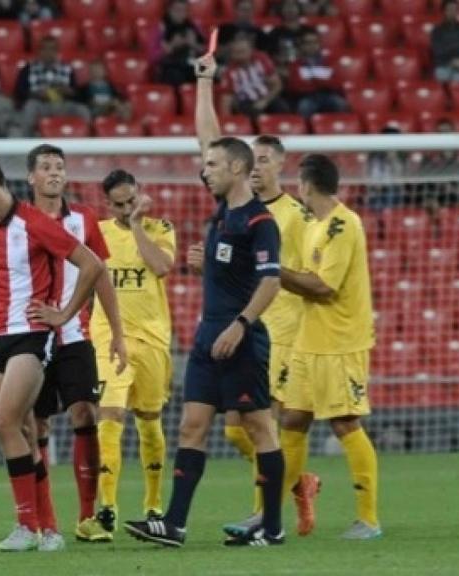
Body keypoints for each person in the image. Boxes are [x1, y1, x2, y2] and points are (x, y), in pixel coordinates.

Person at [123, 52, 286, 548]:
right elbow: (208, 137)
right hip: (207, 333)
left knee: (259, 428)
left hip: (241, 338)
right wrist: (205, 83)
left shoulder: (260, 222)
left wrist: (240, 325)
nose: (204, 169)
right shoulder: (223, 212)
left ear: (237, 169)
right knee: (191, 426)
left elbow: (271, 282)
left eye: (213, 165)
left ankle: (273, 525)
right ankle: (173, 523)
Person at [0, 147, 106, 552]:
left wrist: (63, 314)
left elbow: (92, 265)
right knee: (22, 430)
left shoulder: (35, 223)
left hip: (31, 336)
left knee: (4, 423)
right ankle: (47, 528)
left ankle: (29, 526)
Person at [218, 135, 321, 539]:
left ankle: (262, 516)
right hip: (249, 327)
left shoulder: (298, 215)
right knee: (234, 429)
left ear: (281, 165)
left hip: (286, 333)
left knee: (265, 426)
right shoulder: (240, 213)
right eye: (252, 160)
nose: (257, 167)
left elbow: (310, 276)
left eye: (264, 160)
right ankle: (299, 485)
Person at [25, 144, 128, 545]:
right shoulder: (20, 220)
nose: (54, 173)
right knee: (36, 425)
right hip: (31, 334)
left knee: (86, 412)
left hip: (74, 334)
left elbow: (100, 275)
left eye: (59, 167)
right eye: (46, 167)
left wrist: (117, 334)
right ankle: (41, 518)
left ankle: (88, 516)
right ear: (31, 177)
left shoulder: (84, 218)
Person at [278, 153, 382, 540]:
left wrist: (274, 271)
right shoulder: (312, 226)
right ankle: (271, 515)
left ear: (306, 184)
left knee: (344, 423)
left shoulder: (343, 224)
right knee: (292, 420)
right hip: (309, 341)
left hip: (340, 342)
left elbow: (324, 287)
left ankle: (368, 520)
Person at [90, 168, 176, 541]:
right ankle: (107, 507)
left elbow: (160, 266)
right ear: (107, 205)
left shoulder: (161, 228)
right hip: (110, 338)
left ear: (140, 195)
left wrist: (139, 225)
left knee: (149, 419)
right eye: (119, 205)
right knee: (110, 414)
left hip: (154, 340)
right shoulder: (98, 235)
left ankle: (154, 505)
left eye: (131, 201)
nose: (127, 209)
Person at [13, 36, 91, 136]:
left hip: (62, 104)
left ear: (57, 51)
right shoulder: (28, 69)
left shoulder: (67, 69)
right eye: (44, 48)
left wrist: (69, 91)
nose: (48, 52)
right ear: (39, 51)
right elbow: (19, 92)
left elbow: (77, 94)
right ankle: (26, 142)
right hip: (40, 105)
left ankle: (88, 142)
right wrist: (36, 94)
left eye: (52, 49)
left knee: (83, 110)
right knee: (30, 107)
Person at [220, 36, 289, 121]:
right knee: (251, 112)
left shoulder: (261, 59)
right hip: (245, 102)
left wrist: (264, 101)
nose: (238, 56)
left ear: (250, 51)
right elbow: (226, 99)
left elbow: (277, 85)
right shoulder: (229, 71)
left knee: (282, 107)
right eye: (235, 52)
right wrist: (227, 121)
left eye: (242, 51)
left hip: (266, 97)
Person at [287, 29, 348, 119]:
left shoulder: (329, 62)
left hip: (328, 95)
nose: (312, 46)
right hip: (308, 97)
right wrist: (322, 81)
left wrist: (313, 81)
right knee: (304, 107)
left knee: (341, 104)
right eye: (308, 43)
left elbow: (337, 84)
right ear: (302, 45)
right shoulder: (296, 64)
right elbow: (295, 86)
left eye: (315, 42)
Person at [148, 0, 206, 87]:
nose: (180, 14)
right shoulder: (160, 28)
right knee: (175, 75)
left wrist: (194, 45)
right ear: (169, 10)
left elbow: (207, 51)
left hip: (191, 64)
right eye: (177, 10)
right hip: (170, 68)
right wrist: (172, 46)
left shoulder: (193, 27)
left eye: (184, 11)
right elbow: (152, 58)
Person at [267, 0, 316, 66]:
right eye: (287, 6)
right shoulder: (275, 33)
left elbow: (316, 52)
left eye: (293, 5)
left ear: (299, 9)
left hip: (307, 67)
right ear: (281, 10)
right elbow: (270, 56)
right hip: (284, 69)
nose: (290, 9)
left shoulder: (309, 31)